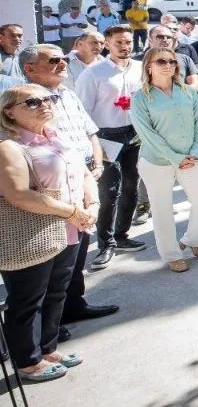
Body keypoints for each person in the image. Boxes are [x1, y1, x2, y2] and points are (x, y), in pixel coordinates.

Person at [18, 46, 118, 337]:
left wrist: (96, 163)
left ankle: (73, 304)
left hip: (85, 174)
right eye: (53, 60)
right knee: (55, 255)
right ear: (30, 69)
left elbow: (90, 133)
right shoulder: (26, 100)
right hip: (53, 184)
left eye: (63, 59)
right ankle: (49, 324)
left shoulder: (69, 95)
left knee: (77, 249)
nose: (62, 63)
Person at [0, 84, 97, 383]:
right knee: (28, 299)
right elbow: (18, 194)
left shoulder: (55, 136)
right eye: (31, 102)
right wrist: (72, 212)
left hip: (70, 226)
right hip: (33, 233)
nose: (43, 105)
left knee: (57, 292)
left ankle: (47, 348)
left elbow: (83, 172)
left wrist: (92, 203)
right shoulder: (9, 146)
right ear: (9, 112)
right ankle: (28, 362)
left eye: (48, 99)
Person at [129, 48, 198, 273]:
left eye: (172, 61)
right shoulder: (140, 97)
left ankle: (193, 240)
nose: (168, 65)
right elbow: (147, 135)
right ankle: (171, 254)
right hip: (157, 161)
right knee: (163, 208)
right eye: (161, 61)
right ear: (148, 66)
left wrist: (195, 151)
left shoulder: (187, 91)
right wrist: (176, 158)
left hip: (191, 158)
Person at [74, 25, 147, 270]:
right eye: (119, 43)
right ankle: (106, 243)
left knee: (131, 186)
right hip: (105, 136)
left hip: (134, 135)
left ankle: (122, 234)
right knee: (109, 191)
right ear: (107, 43)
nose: (125, 47)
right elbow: (82, 112)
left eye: (128, 42)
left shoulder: (139, 68)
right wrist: (90, 145)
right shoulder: (93, 74)